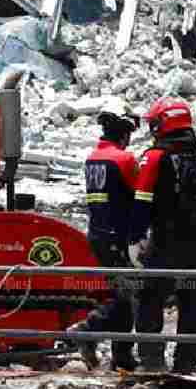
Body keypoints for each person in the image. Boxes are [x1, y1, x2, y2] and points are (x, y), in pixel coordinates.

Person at [129, 98, 196, 374]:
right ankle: (186, 364)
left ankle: (152, 361)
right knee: (191, 305)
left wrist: (135, 239)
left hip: (166, 245)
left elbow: (141, 201)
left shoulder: (155, 157)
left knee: (150, 301)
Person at [66, 100, 141, 371]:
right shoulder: (124, 159)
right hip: (117, 237)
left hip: (98, 233)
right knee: (127, 297)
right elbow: (142, 196)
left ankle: (121, 356)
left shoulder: (93, 158)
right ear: (123, 132)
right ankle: (88, 329)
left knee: (122, 293)